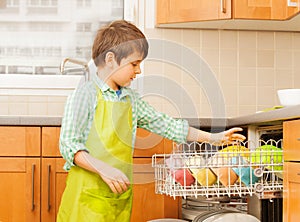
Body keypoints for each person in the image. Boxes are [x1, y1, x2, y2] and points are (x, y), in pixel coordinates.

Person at [57, 20, 245, 222]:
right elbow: (69, 145)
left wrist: (213, 138)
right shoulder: (84, 95)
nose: (138, 71)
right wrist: (103, 169)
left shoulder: (131, 100)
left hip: (117, 198)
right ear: (111, 59)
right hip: (85, 199)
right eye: (134, 64)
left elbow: (167, 125)